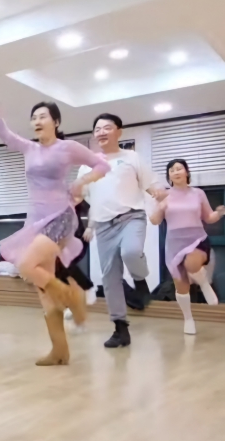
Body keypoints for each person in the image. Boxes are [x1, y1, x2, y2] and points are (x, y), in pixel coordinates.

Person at [0, 87, 111, 366]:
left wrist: (82, 182)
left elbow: (102, 165)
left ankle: (73, 295)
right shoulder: (29, 148)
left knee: (26, 266)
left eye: (43, 116)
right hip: (35, 221)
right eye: (34, 118)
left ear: (56, 121)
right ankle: (60, 351)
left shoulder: (67, 148)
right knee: (44, 292)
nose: (37, 121)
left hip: (60, 216)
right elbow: (2, 132)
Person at [79, 113, 167, 348]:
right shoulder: (87, 164)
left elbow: (150, 183)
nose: (102, 132)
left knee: (131, 252)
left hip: (131, 217)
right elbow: (81, 195)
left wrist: (157, 192)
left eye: (107, 127)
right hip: (104, 225)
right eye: (98, 129)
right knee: (110, 277)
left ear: (119, 132)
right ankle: (120, 328)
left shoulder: (131, 157)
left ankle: (140, 280)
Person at [149, 159, 224, 335]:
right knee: (181, 286)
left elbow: (208, 217)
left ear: (187, 172)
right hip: (174, 244)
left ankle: (204, 283)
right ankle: (188, 319)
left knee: (192, 264)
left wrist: (220, 213)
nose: (176, 172)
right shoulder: (164, 195)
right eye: (172, 170)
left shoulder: (198, 193)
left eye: (179, 168)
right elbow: (154, 220)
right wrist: (160, 206)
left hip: (197, 239)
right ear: (169, 176)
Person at [58, 201, 98, 332]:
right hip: (58, 238)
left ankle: (88, 287)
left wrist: (90, 227)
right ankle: (72, 304)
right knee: (59, 272)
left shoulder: (72, 197)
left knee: (66, 265)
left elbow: (93, 208)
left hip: (76, 236)